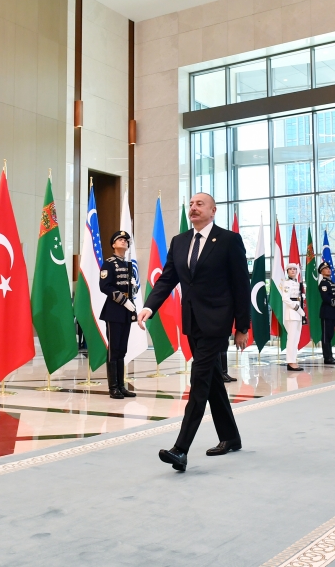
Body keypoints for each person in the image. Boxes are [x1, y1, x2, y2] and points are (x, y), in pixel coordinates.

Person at [138, 193, 249, 472]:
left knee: (199, 381)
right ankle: (231, 437)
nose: (193, 208)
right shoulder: (180, 242)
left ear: (213, 210)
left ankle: (181, 449)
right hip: (193, 321)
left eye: (199, 204)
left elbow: (241, 286)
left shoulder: (229, 240)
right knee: (212, 381)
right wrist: (149, 307)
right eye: (190, 204)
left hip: (217, 321)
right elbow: (167, 279)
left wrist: (242, 327)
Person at [99, 230, 138, 400]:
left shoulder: (128, 265)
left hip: (126, 312)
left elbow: (129, 288)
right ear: (113, 244)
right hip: (114, 310)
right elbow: (105, 286)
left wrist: (133, 288)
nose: (124, 241)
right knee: (114, 349)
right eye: (120, 239)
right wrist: (123, 300)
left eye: (126, 240)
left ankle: (121, 386)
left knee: (122, 349)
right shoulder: (109, 264)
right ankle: (113, 387)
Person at [318, 261, 335, 365]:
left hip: (332, 312)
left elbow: (334, 296)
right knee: (326, 335)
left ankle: (330, 356)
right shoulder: (323, 283)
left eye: (329, 268)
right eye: (326, 269)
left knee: (330, 335)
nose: (328, 270)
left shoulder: (332, 282)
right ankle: (327, 357)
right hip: (327, 311)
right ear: (322, 272)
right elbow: (326, 298)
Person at [281, 263, 304, 372]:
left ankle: (293, 360)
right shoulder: (287, 283)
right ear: (287, 272)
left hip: (298, 313)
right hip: (292, 313)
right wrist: (297, 308)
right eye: (290, 269)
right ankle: (290, 362)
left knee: (296, 339)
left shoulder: (297, 283)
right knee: (291, 339)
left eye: (295, 269)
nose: (293, 271)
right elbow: (285, 298)